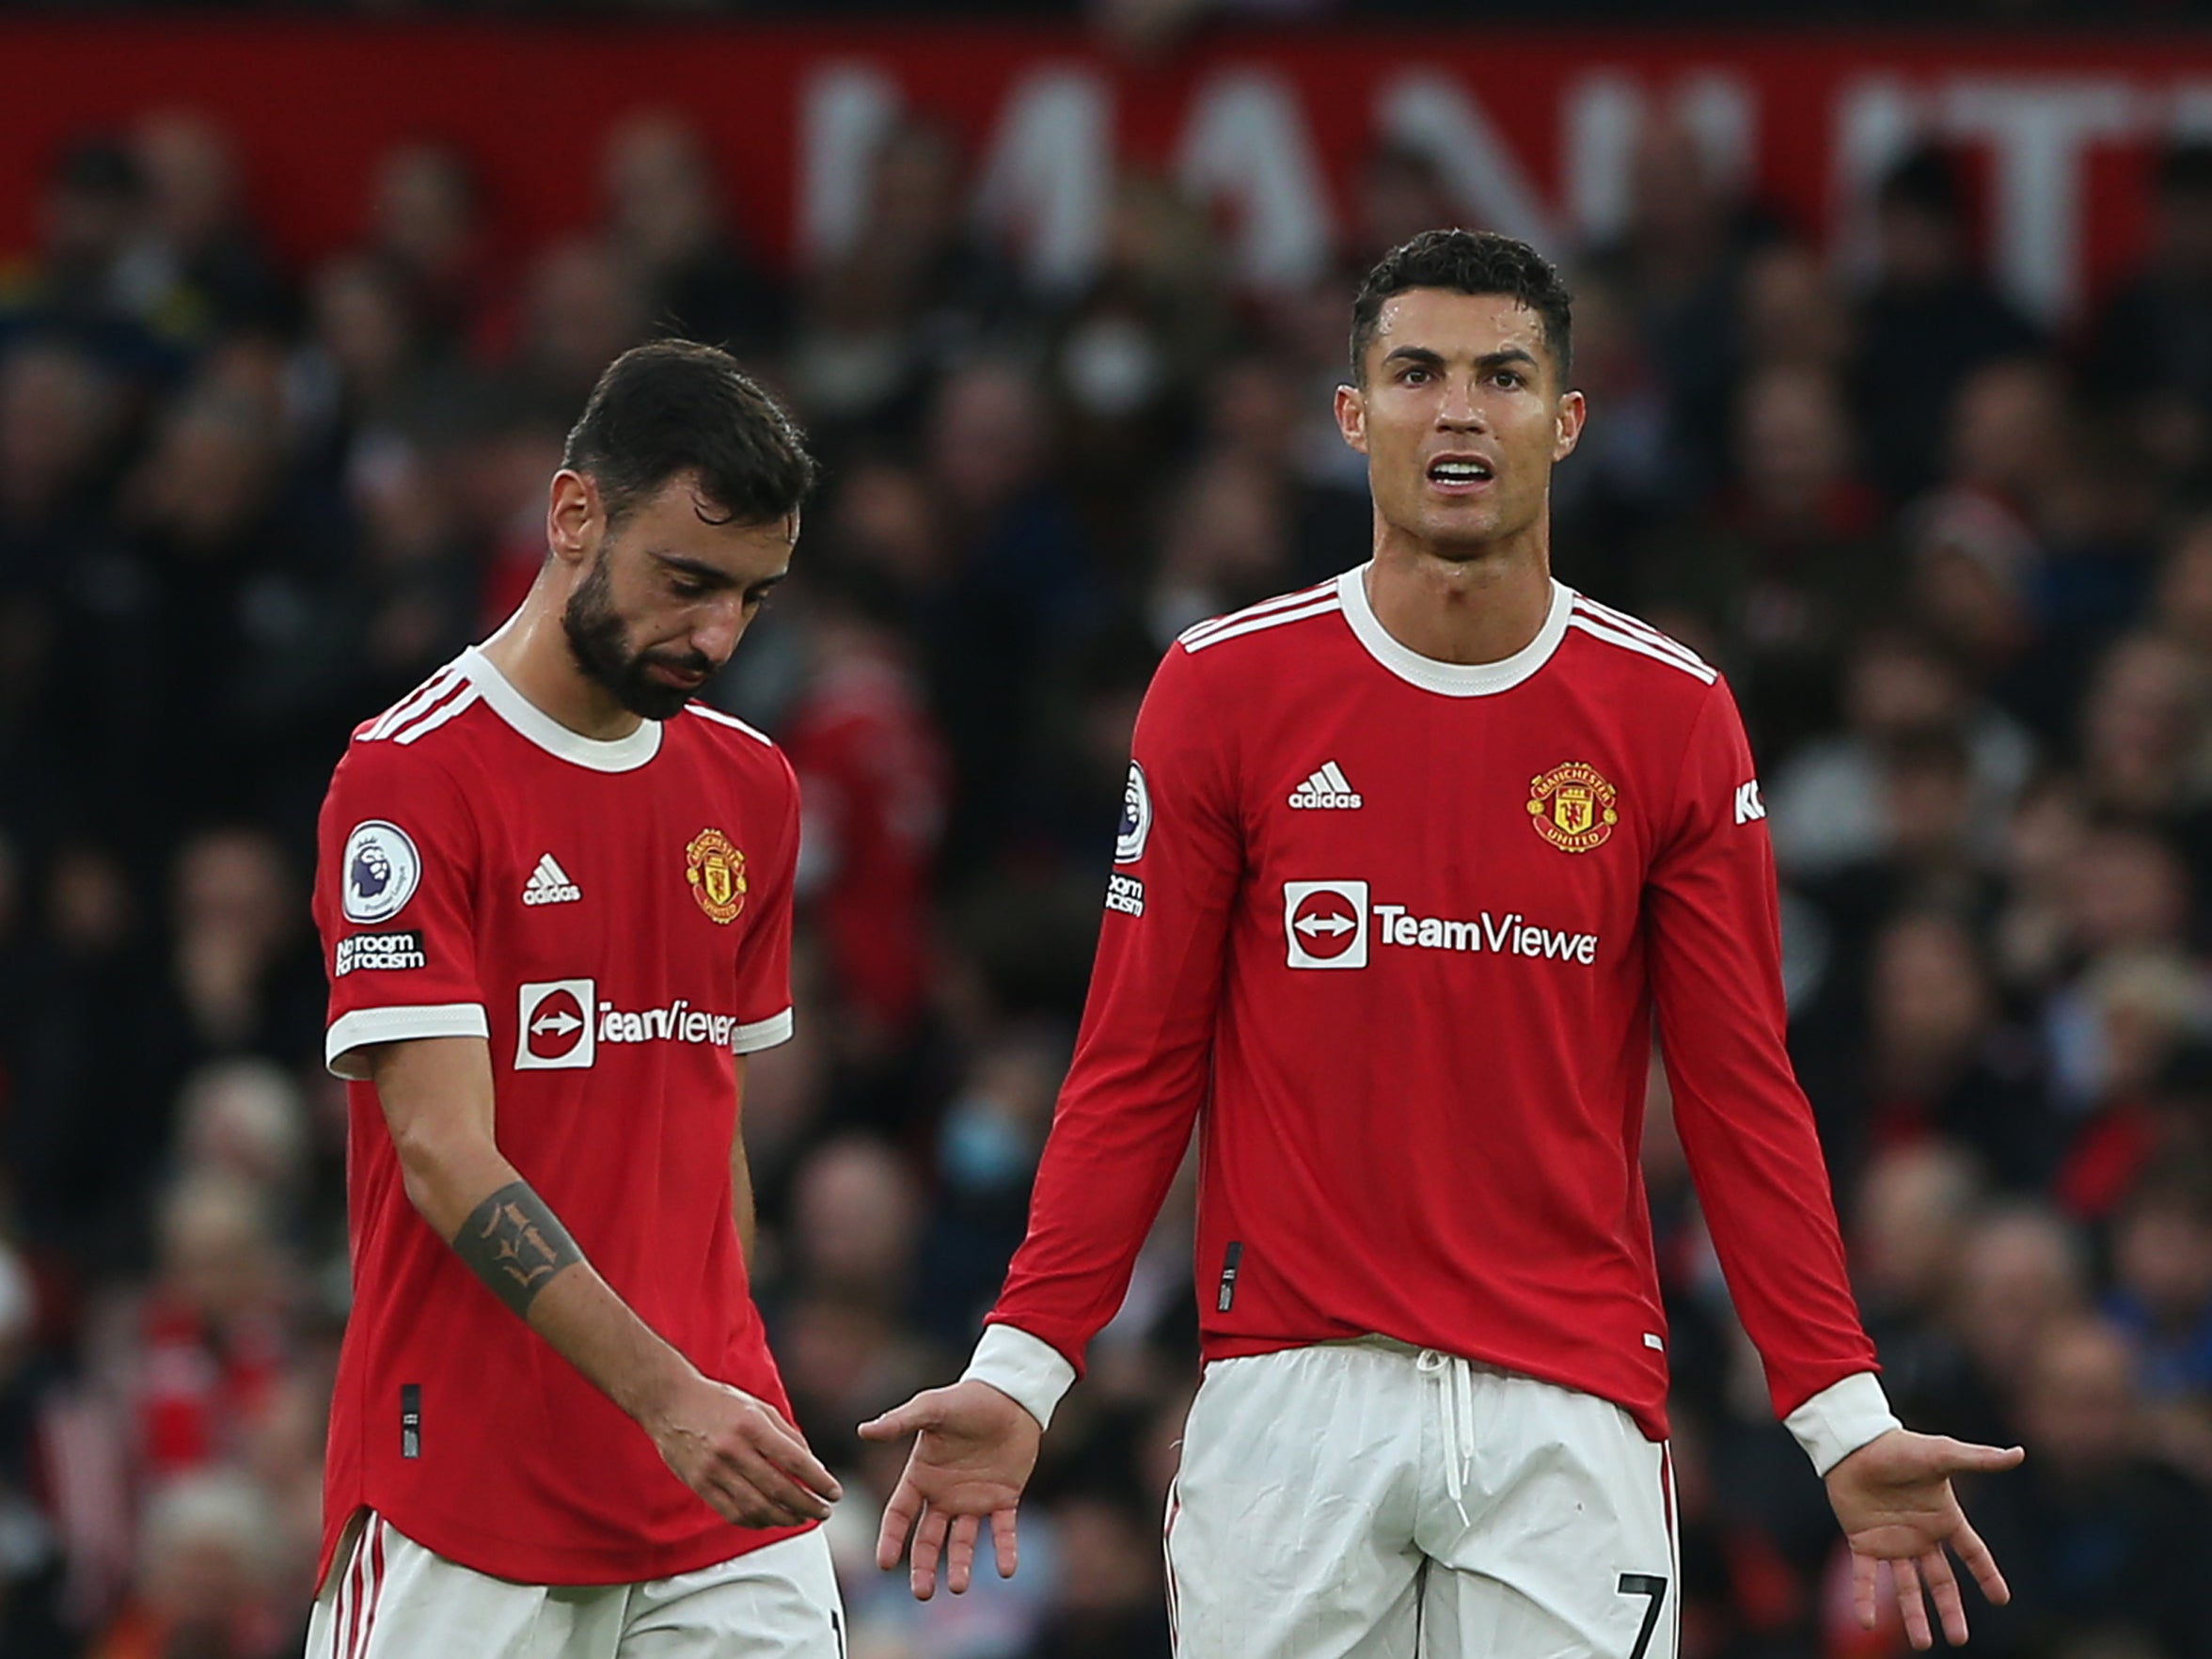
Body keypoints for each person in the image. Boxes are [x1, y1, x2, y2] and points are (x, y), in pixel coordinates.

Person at [861, 230, 2024, 1658]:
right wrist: (1024, 1369)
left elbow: (1742, 1097)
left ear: (1568, 421)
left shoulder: (1671, 715)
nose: (1459, 410)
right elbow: (1132, 1064)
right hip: (1292, 1398)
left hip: (1569, 1414)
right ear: (1351, 414)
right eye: (1416, 373)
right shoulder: (1225, 690)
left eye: (1503, 376)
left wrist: (1842, 1414)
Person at [307, 340, 846, 1656]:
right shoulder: (412, 781)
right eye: (687, 583)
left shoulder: (750, 789)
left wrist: (713, 1379)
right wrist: (668, 1395)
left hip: (716, 1487)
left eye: (753, 600)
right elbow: (440, 1152)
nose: (716, 635)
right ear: (572, 516)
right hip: (469, 1504)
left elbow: (701, 1120)